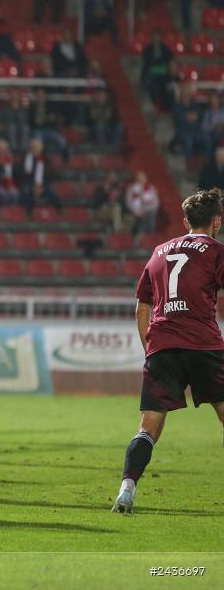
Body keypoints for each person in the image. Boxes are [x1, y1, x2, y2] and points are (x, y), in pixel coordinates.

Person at [112, 189, 224, 514]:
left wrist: (150, 347)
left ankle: (126, 489)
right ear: (217, 221)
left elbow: (141, 306)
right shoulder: (216, 251)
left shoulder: (160, 251)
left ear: (186, 220)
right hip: (204, 345)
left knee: (148, 428)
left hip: (161, 345)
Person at [126, 171, 160, 236]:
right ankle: (140, 237)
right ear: (136, 179)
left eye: (143, 178)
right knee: (139, 219)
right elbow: (128, 202)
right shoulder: (131, 188)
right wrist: (135, 211)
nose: (141, 180)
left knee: (151, 214)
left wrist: (147, 209)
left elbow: (156, 203)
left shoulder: (151, 188)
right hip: (135, 211)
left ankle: (150, 236)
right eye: (139, 178)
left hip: (148, 211)